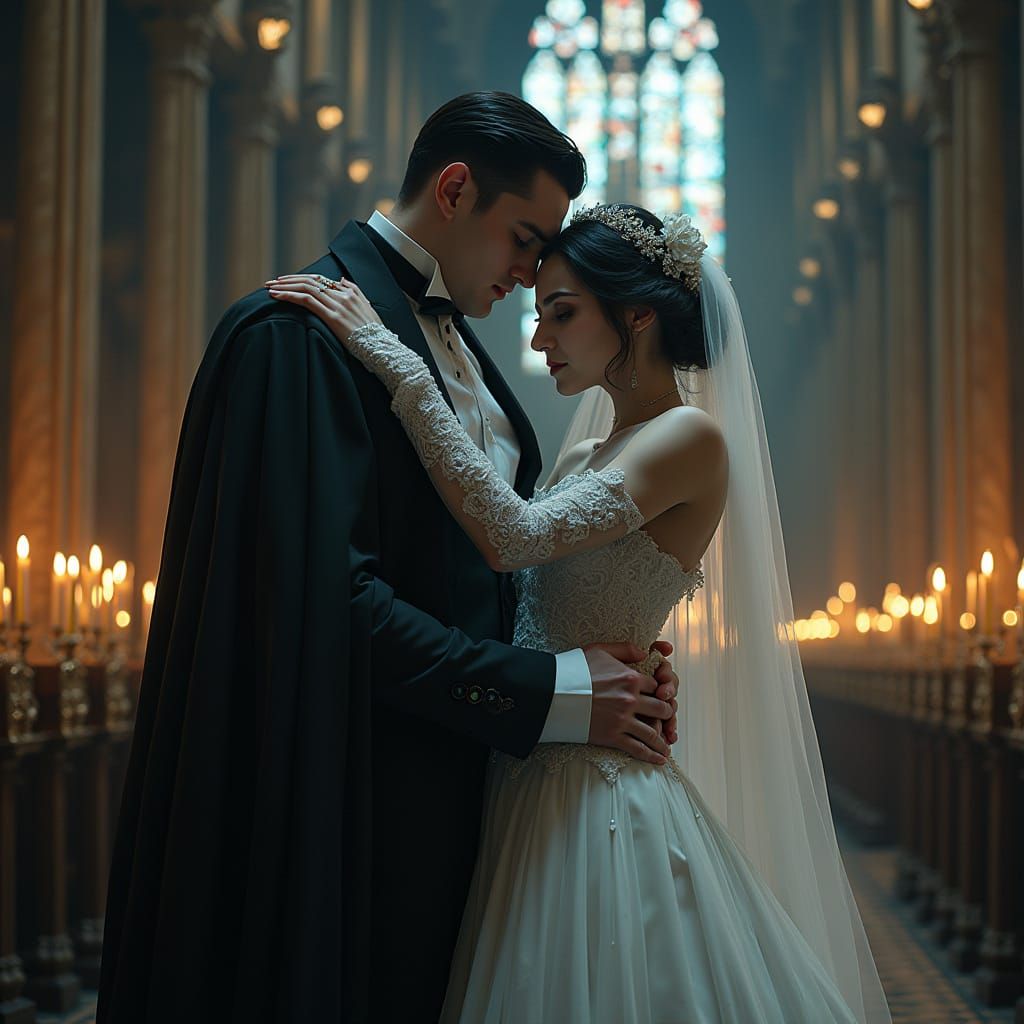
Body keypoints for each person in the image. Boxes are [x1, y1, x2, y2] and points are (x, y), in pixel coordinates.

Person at [96, 95, 682, 1024]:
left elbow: (494, 567)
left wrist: (604, 654)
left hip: (469, 801)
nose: (532, 275)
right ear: (455, 189)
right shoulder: (296, 334)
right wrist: (556, 692)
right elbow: (329, 602)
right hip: (348, 807)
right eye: (524, 240)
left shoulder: (465, 354)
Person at [268, 202, 893, 1023]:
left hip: (601, 796)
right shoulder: (584, 449)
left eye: (560, 313)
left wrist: (395, 360)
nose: (537, 340)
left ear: (636, 313)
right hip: (528, 769)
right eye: (537, 315)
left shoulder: (690, 438)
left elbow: (511, 535)